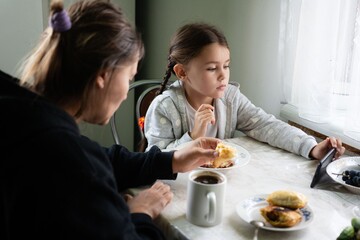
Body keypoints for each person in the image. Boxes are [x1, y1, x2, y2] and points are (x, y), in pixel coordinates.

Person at [0, 2, 221, 239]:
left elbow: (103, 158)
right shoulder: (69, 163)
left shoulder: (24, 114)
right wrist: (139, 213)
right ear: (103, 76)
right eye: (129, 77)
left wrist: (172, 160)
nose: (127, 92)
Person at [144, 22, 345, 160]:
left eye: (226, 65)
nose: (223, 75)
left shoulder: (230, 98)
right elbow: (154, 161)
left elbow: (268, 126)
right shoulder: (165, 108)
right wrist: (194, 135)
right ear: (182, 72)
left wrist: (311, 147)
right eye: (212, 68)